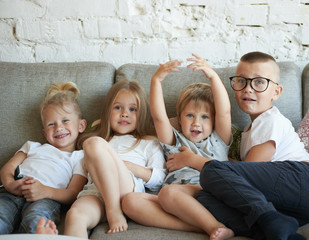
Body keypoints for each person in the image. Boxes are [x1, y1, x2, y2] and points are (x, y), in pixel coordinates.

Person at [195, 51, 309, 240]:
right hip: (296, 208)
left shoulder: (270, 120)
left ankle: (270, 218)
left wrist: (196, 161)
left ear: (276, 92)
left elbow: (249, 171)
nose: (248, 89)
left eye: (259, 82)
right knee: (204, 198)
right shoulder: (250, 130)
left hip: (304, 180)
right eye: (241, 81)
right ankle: (281, 233)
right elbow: (245, 182)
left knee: (210, 170)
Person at [122, 54, 233, 238]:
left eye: (204, 117)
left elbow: (225, 111)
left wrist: (213, 76)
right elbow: (159, 117)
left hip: (205, 192)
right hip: (173, 204)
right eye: (190, 116)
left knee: (169, 192)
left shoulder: (218, 141)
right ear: (179, 119)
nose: (197, 122)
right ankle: (198, 226)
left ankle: (214, 226)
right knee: (129, 201)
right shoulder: (175, 142)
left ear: (214, 121)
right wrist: (156, 80)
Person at [60, 80, 166, 238]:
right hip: (95, 192)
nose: (124, 113)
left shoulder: (149, 143)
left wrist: (129, 166)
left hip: (126, 191)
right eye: (117, 107)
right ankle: (109, 210)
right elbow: (81, 174)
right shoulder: (96, 143)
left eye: (132, 109)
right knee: (75, 216)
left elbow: (160, 178)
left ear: (142, 113)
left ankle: (114, 211)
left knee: (94, 143)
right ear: (107, 112)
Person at [0, 82, 88, 234]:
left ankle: (40, 234)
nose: (59, 128)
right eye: (51, 124)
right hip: (12, 193)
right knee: (2, 214)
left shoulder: (79, 157)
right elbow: (7, 168)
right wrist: (10, 184)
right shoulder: (32, 146)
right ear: (44, 132)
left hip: (46, 198)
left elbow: (73, 194)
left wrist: (44, 191)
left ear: (81, 126)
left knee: (36, 218)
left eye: (65, 121)